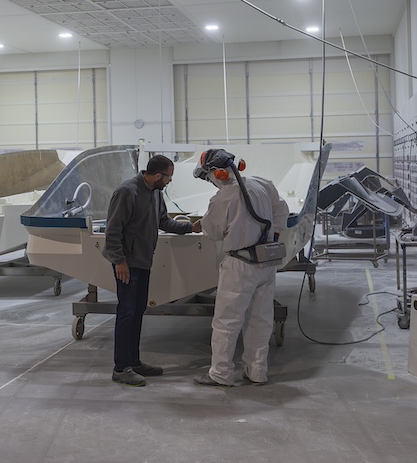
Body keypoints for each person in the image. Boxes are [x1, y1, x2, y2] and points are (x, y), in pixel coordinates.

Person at [192, 148, 289, 387]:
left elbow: (214, 232)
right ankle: (257, 371)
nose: (211, 182)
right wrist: (273, 235)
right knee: (260, 319)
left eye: (209, 177)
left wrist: (204, 224)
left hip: (240, 265)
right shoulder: (262, 184)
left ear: (217, 173)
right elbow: (282, 211)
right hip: (266, 261)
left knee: (227, 321)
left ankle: (221, 373)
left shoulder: (223, 197)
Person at [103, 154, 201, 386]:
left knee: (137, 311)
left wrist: (190, 228)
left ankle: (133, 362)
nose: (169, 181)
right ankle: (120, 368)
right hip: (127, 264)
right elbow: (113, 230)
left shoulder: (155, 193)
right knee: (126, 313)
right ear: (158, 175)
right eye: (168, 177)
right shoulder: (127, 192)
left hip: (143, 261)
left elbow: (163, 221)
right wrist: (119, 261)